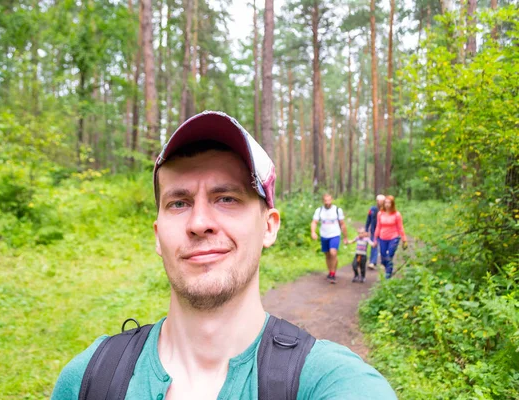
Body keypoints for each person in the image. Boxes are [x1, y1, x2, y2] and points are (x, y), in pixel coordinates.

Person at [51, 111, 396, 399]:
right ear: (158, 236)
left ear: (269, 226)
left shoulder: (331, 383)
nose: (199, 223)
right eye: (179, 203)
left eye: (227, 198)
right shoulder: (88, 380)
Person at [310, 193, 348, 284]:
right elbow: (314, 222)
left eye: (329, 200)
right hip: (324, 235)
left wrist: (345, 236)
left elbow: (342, 224)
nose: (327, 202)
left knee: (333, 252)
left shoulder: (337, 210)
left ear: (332, 200)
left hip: (335, 234)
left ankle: (333, 273)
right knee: (327, 255)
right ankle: (330, 271)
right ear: (323, 201)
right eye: (325, 200)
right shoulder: (319, 210)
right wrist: (313, 232)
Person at [374, 195, 408, 279]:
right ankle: (387, 269)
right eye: (385, 202)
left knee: (389, 256)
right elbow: (378, 226)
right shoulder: (380, 214)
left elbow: (400, 227)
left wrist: (404, 239)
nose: (387, 204)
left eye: (389, 203)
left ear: (392, 204)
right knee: (383, 257)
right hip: (382, 237)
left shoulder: (397, 214)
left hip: (394, 237)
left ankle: (388, 275)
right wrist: (375, 238)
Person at [365, 194, 385, 270]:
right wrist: (366, 229)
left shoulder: (386, 210)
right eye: (378, 201)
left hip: (384, 232)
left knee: (383, 247)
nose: (380, 202)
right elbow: (368, 220)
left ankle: (383, 263)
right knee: (374, 246)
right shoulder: (372, 209)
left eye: (381, 201)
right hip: (374, 231)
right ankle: (372, 262)